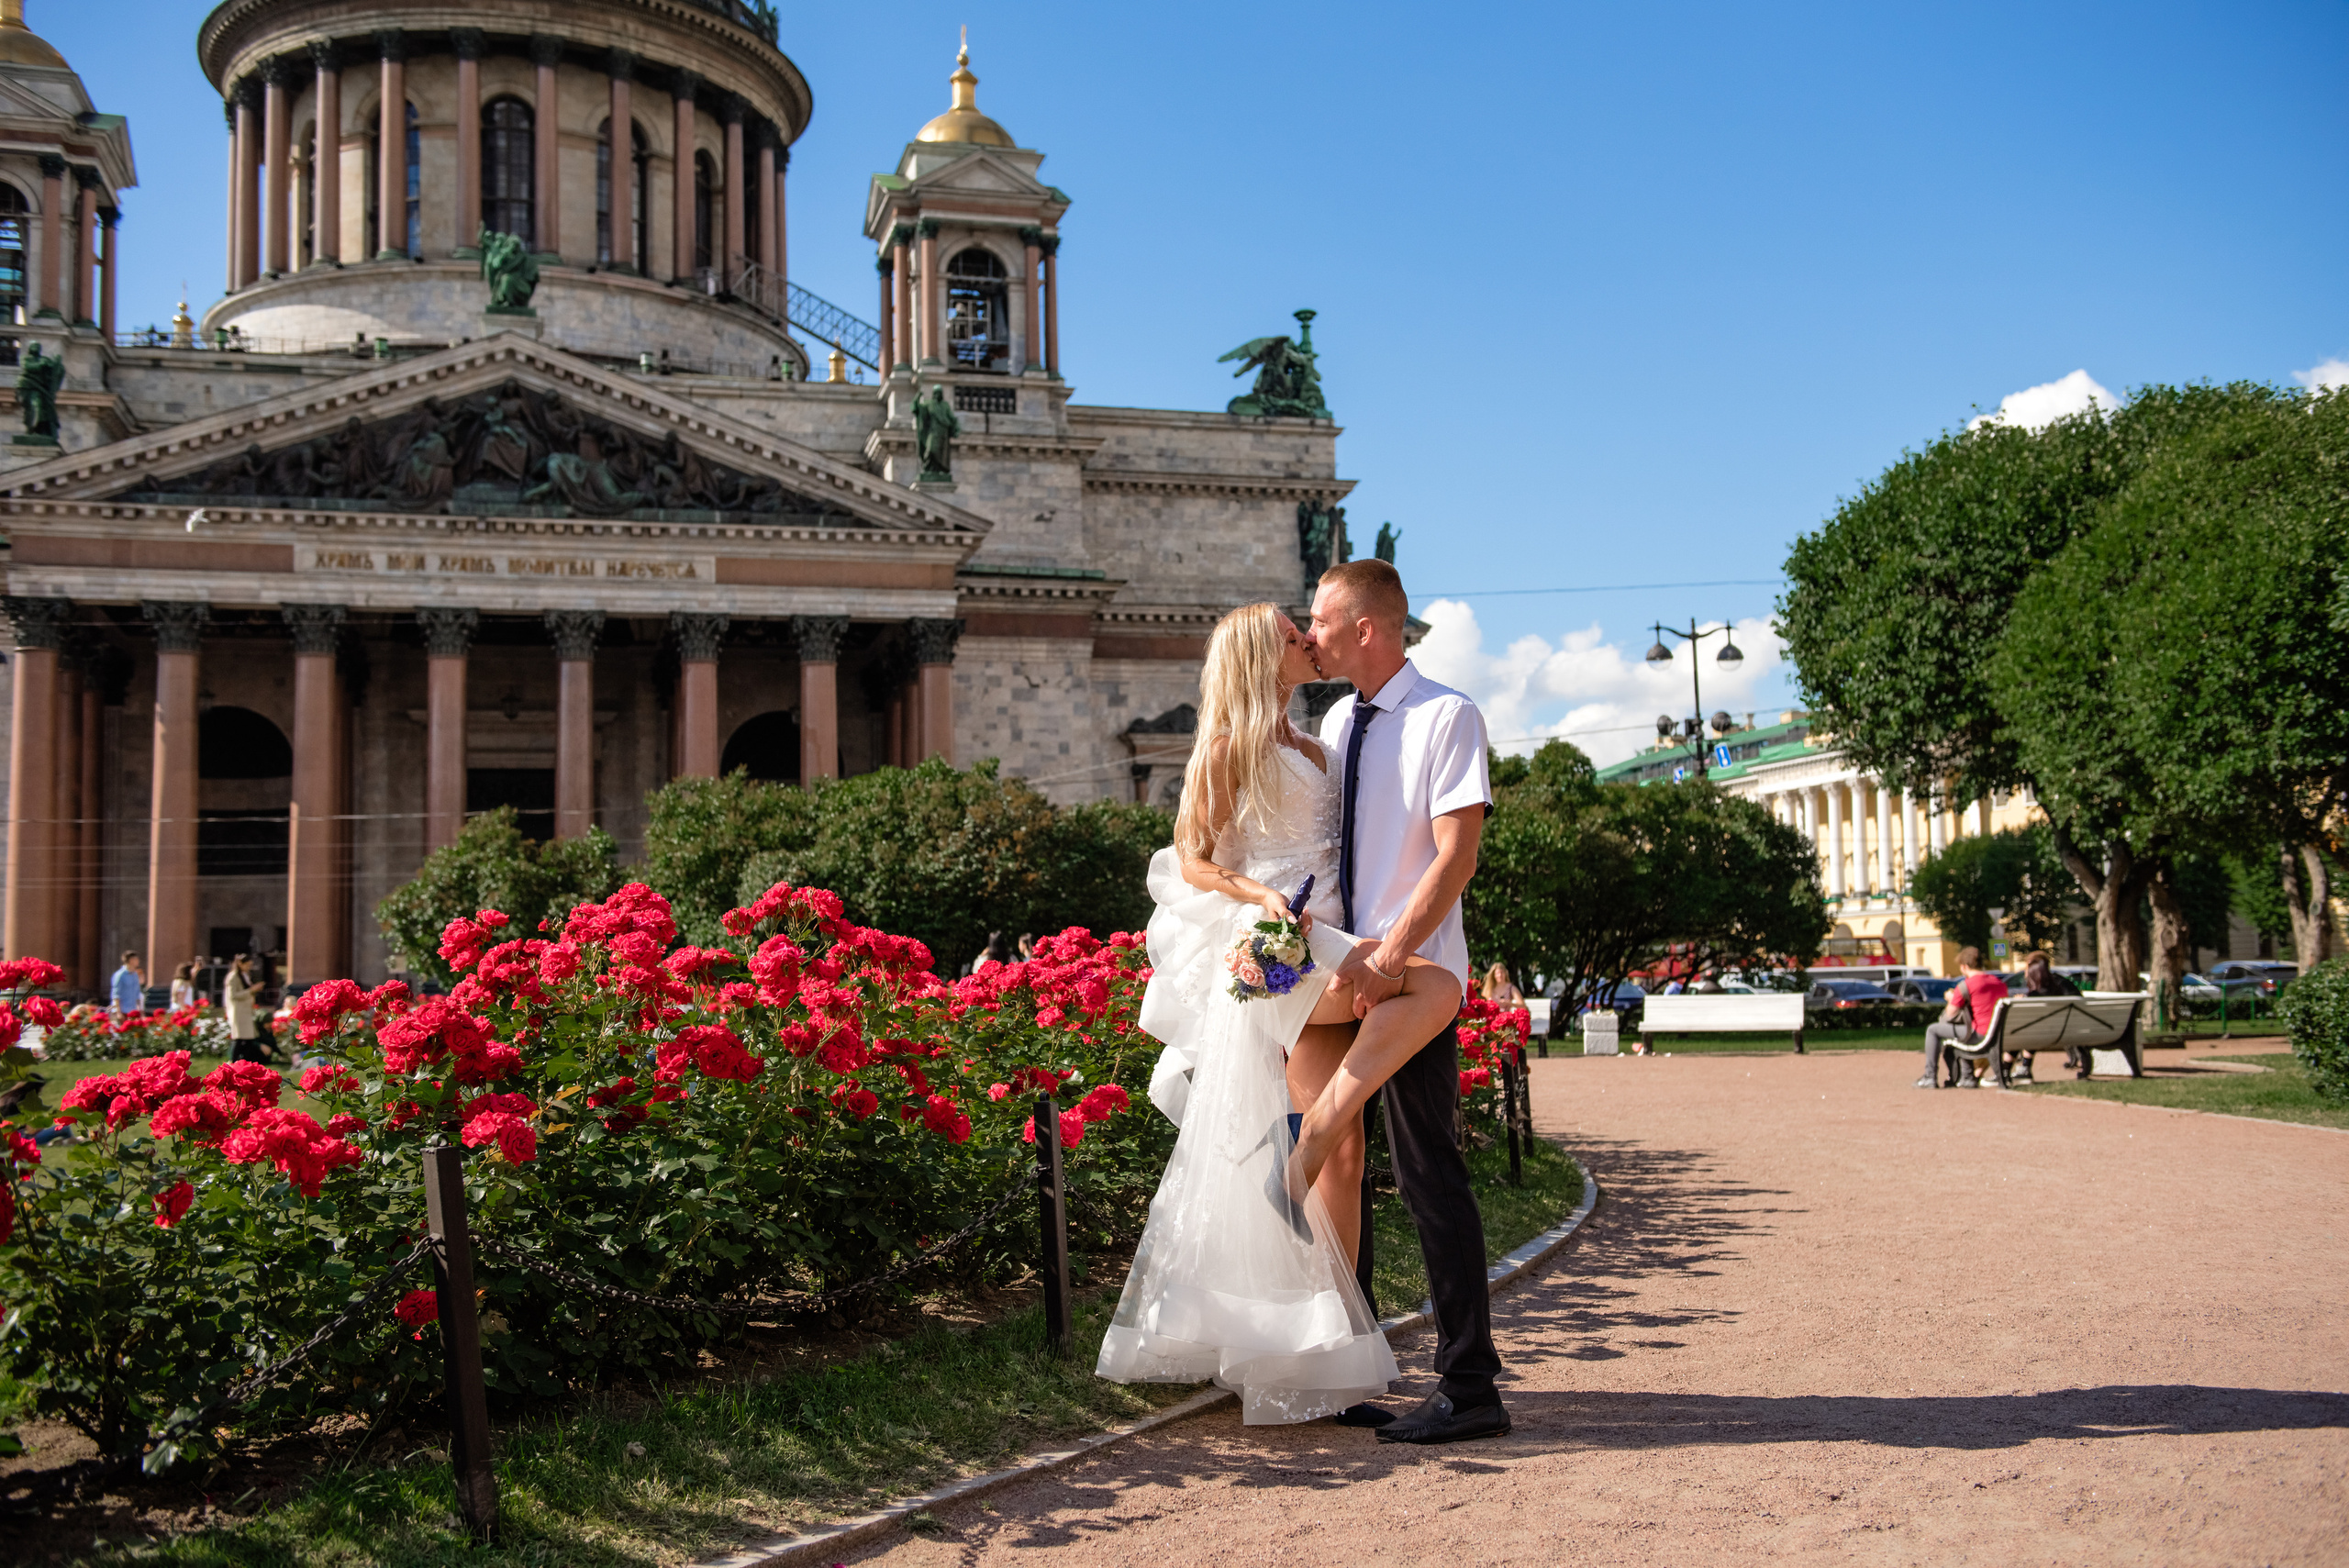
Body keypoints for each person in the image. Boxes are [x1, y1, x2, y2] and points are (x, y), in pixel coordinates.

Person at [1097, 600, 1398, 1426]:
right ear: (1262, 655)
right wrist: (1260, 893)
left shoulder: (1309, 742)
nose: (1309, 639)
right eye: (1293, 634)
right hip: (1283, 945)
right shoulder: (1229, 748)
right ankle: (1319, 1335)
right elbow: (1191, 859)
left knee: (1342, 1144)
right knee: (1329, 1130)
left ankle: (1338, 1338)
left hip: (1331, 929)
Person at [1292, 557, 1507, 1444]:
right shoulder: (1340, 719)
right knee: (1336, 1163)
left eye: (1321, 619)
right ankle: (1354, 1366)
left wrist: (1390, 956)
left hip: (1410, 975)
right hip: (1343, 974)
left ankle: (1469, 1385)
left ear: (1367, 628)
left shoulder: (1446, 715)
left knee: (1427, 1176)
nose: (1311, 633)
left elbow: (1456, 856)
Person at [1918, 946, 2008, 1088]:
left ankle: (1930, 1076)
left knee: (1933, 1030)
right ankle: (1967, 1076)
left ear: (1965, 966)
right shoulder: (1999, 983)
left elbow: (1950, 1014)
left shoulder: (1966, 985)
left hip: (1979, 1034)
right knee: (1962, 1033)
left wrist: (1950, 998)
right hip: (2001, 1034)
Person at [2021, 951, 2083, 1081]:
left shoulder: (2036, 993)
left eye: (2026, 967)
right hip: (2073, 1030)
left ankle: (2019, 1069)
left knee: (2021, 1033)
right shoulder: (2064, 985)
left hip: (2046, 1034)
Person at [223, 952, 266, 1063]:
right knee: (239, 1037)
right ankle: (233, 1060)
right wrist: (251, 990)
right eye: (247, 965)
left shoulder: (244, 975)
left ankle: (243, 1061)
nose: (249, 968)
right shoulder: (233, 977)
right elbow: (233, 995)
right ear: (240, 964)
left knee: (247, 1038)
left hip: (246, 1010)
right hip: (238, 1011)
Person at [108, 951, 144, 1016]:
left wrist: (140, 1010)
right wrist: (119, 1013)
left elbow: (137, 994)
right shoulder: (120, 975)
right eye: (136, 959)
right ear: (131, 960)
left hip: (133, 1011)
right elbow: (116, 995)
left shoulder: (135, 975)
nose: (138, 961)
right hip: (122, 1011)